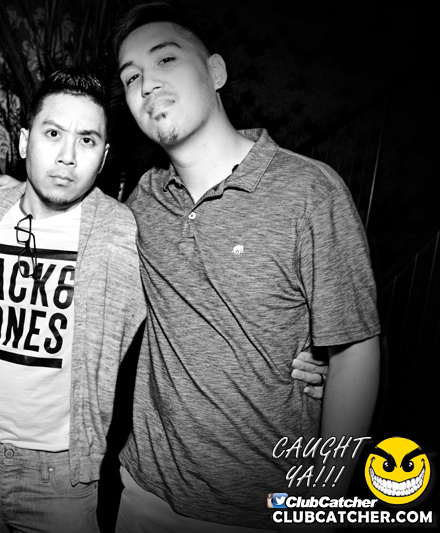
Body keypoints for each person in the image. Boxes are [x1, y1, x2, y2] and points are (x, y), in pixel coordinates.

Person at [111, 2, 380, 531]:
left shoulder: (309, 191)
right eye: (131, 77)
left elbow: (355, 350)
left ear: (216, 71)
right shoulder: (143, 201)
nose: (147, 84)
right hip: (143, 494)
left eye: (165, 59)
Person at [0, 69, 147, 533]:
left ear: (103, 157)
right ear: (24, 141)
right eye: (53, 134)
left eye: (87, 140)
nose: (67, 156)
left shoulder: (122, 235)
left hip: (61, 477)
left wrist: (300, 353)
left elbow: (189, 302)